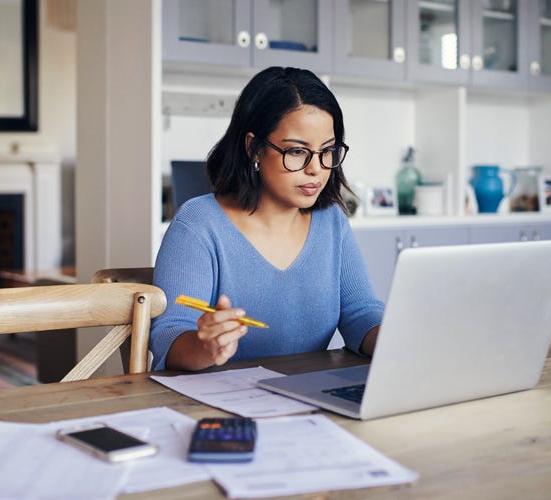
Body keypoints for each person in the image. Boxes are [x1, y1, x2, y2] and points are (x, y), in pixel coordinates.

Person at [150, 66, 384, 371]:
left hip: (306, 399)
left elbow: (360, 312)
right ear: (254, 148)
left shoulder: (331, 222)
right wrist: (204, 346)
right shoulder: (199, 224)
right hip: (217, 408)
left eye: (327, 151)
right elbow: (170, 336)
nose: (316, 168)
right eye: (298, 152)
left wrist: (398, 339)